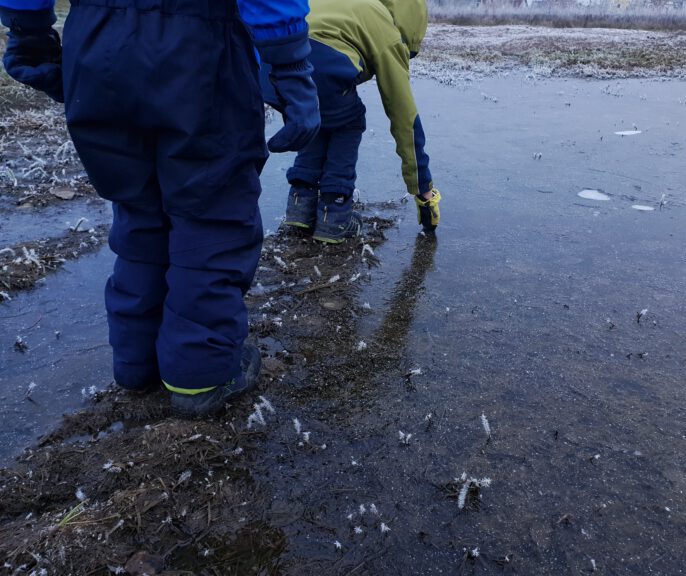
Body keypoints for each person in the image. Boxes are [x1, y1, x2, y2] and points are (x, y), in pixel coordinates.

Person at [0, 0, 320, 418]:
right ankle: (198, 375)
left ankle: (136, 364)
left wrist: (27, 28)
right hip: (200, 44)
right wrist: (291, 65)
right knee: (212, 212)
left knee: (138, 206)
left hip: (97, 39)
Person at [259, 0, 442, 244]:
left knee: (321, 114)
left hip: (272, 71)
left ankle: (300, 205)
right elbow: (404, 117)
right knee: (350, 121)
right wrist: (423, 189)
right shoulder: (387, 30)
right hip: (314, 67)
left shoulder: (351, 5)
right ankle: (334, 215)